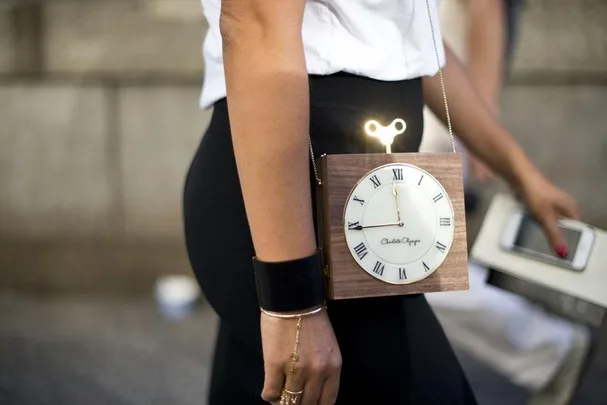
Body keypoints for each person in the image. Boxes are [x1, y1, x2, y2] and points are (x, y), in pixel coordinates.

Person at [182, 0, 579, 404]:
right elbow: (255, 22)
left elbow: (415, 45)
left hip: (335, 197)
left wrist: (520, 171)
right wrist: (293, 302)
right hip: (291, 213)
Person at [421, 1, 591, 404]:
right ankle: (547, 349)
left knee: (410, 262)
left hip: (434, 108)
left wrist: (485, 127)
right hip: (421, 96)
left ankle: (547, 347)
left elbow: (485, 11)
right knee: (399, 264)